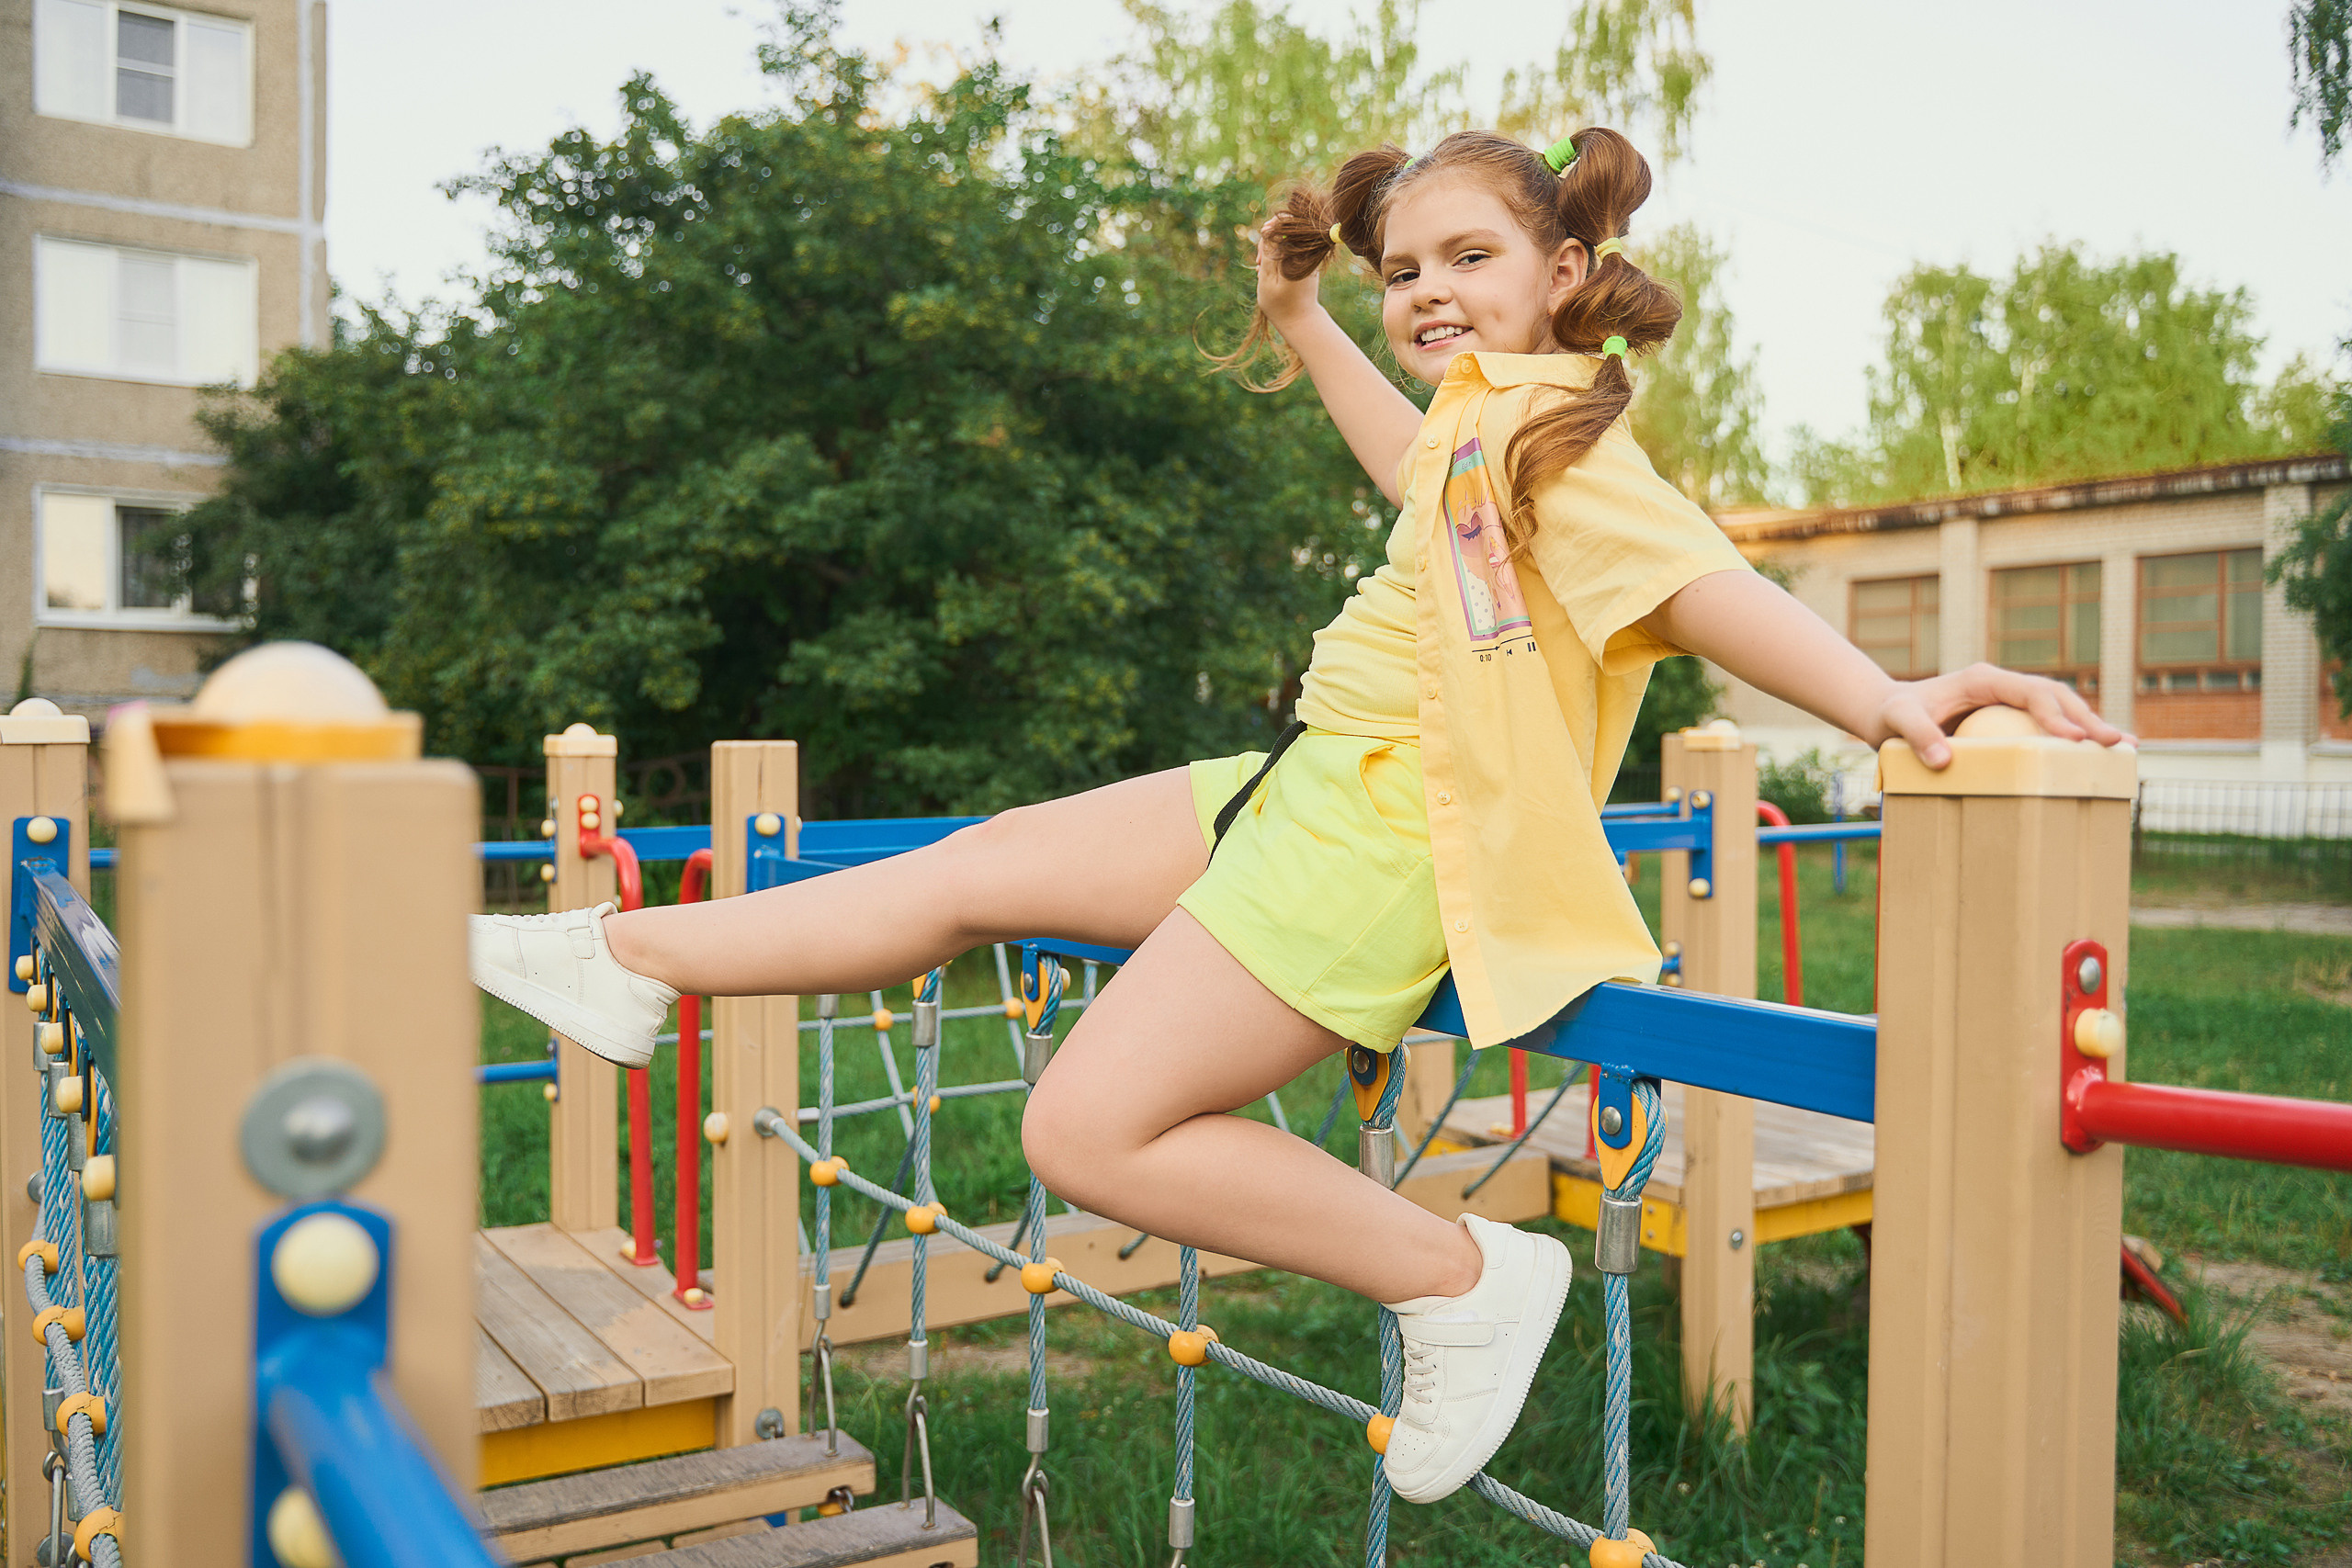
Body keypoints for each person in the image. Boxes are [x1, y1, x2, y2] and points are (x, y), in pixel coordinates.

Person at [469, 125, 2129, 1506]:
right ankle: (625, 958)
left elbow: (1707, 588)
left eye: (1468, 257)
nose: (1424, 290)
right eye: (1402, 267)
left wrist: (1894, 703)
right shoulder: (1479, 430)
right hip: (1303, 786)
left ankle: (1463, 1274)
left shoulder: (1568, 433)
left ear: (1563, 273)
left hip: (1385, 833)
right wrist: (1300, 323)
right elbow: (1404, 462)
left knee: (1082, 1132)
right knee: (973, 867)